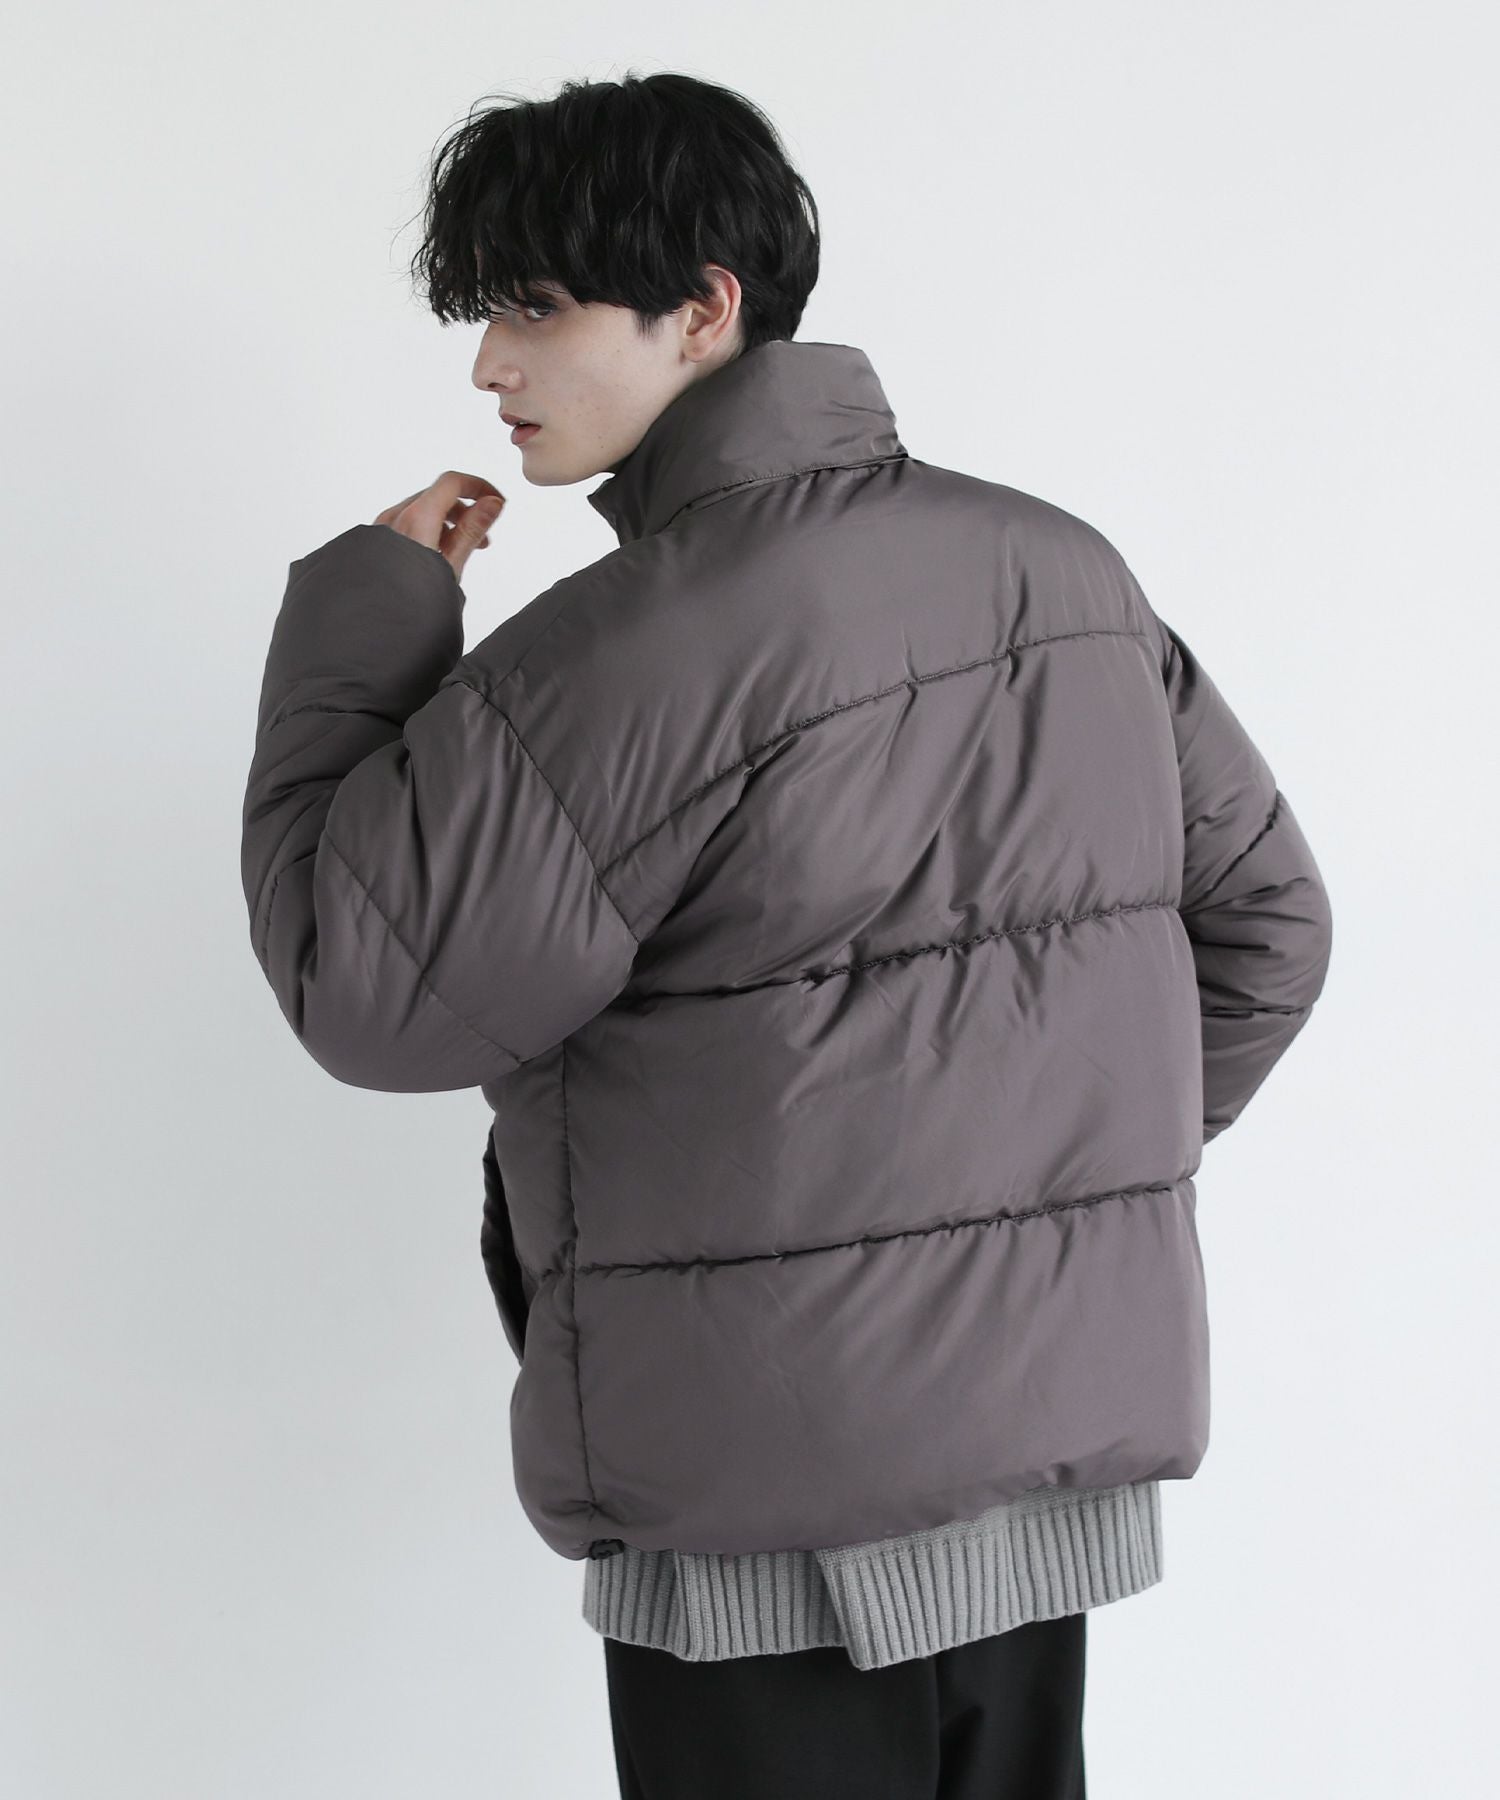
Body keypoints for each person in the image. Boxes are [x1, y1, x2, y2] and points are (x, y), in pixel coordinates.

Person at [240, 70, 1333, 1800]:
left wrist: (368, 619)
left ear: (703, 307)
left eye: (535, 307)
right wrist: (1013, 1210)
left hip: (766, 1501)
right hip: (1037, 1449)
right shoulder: (1064, 572)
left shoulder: (621, 653)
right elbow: (1272, 925)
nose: (489, 368)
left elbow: (360, 985)